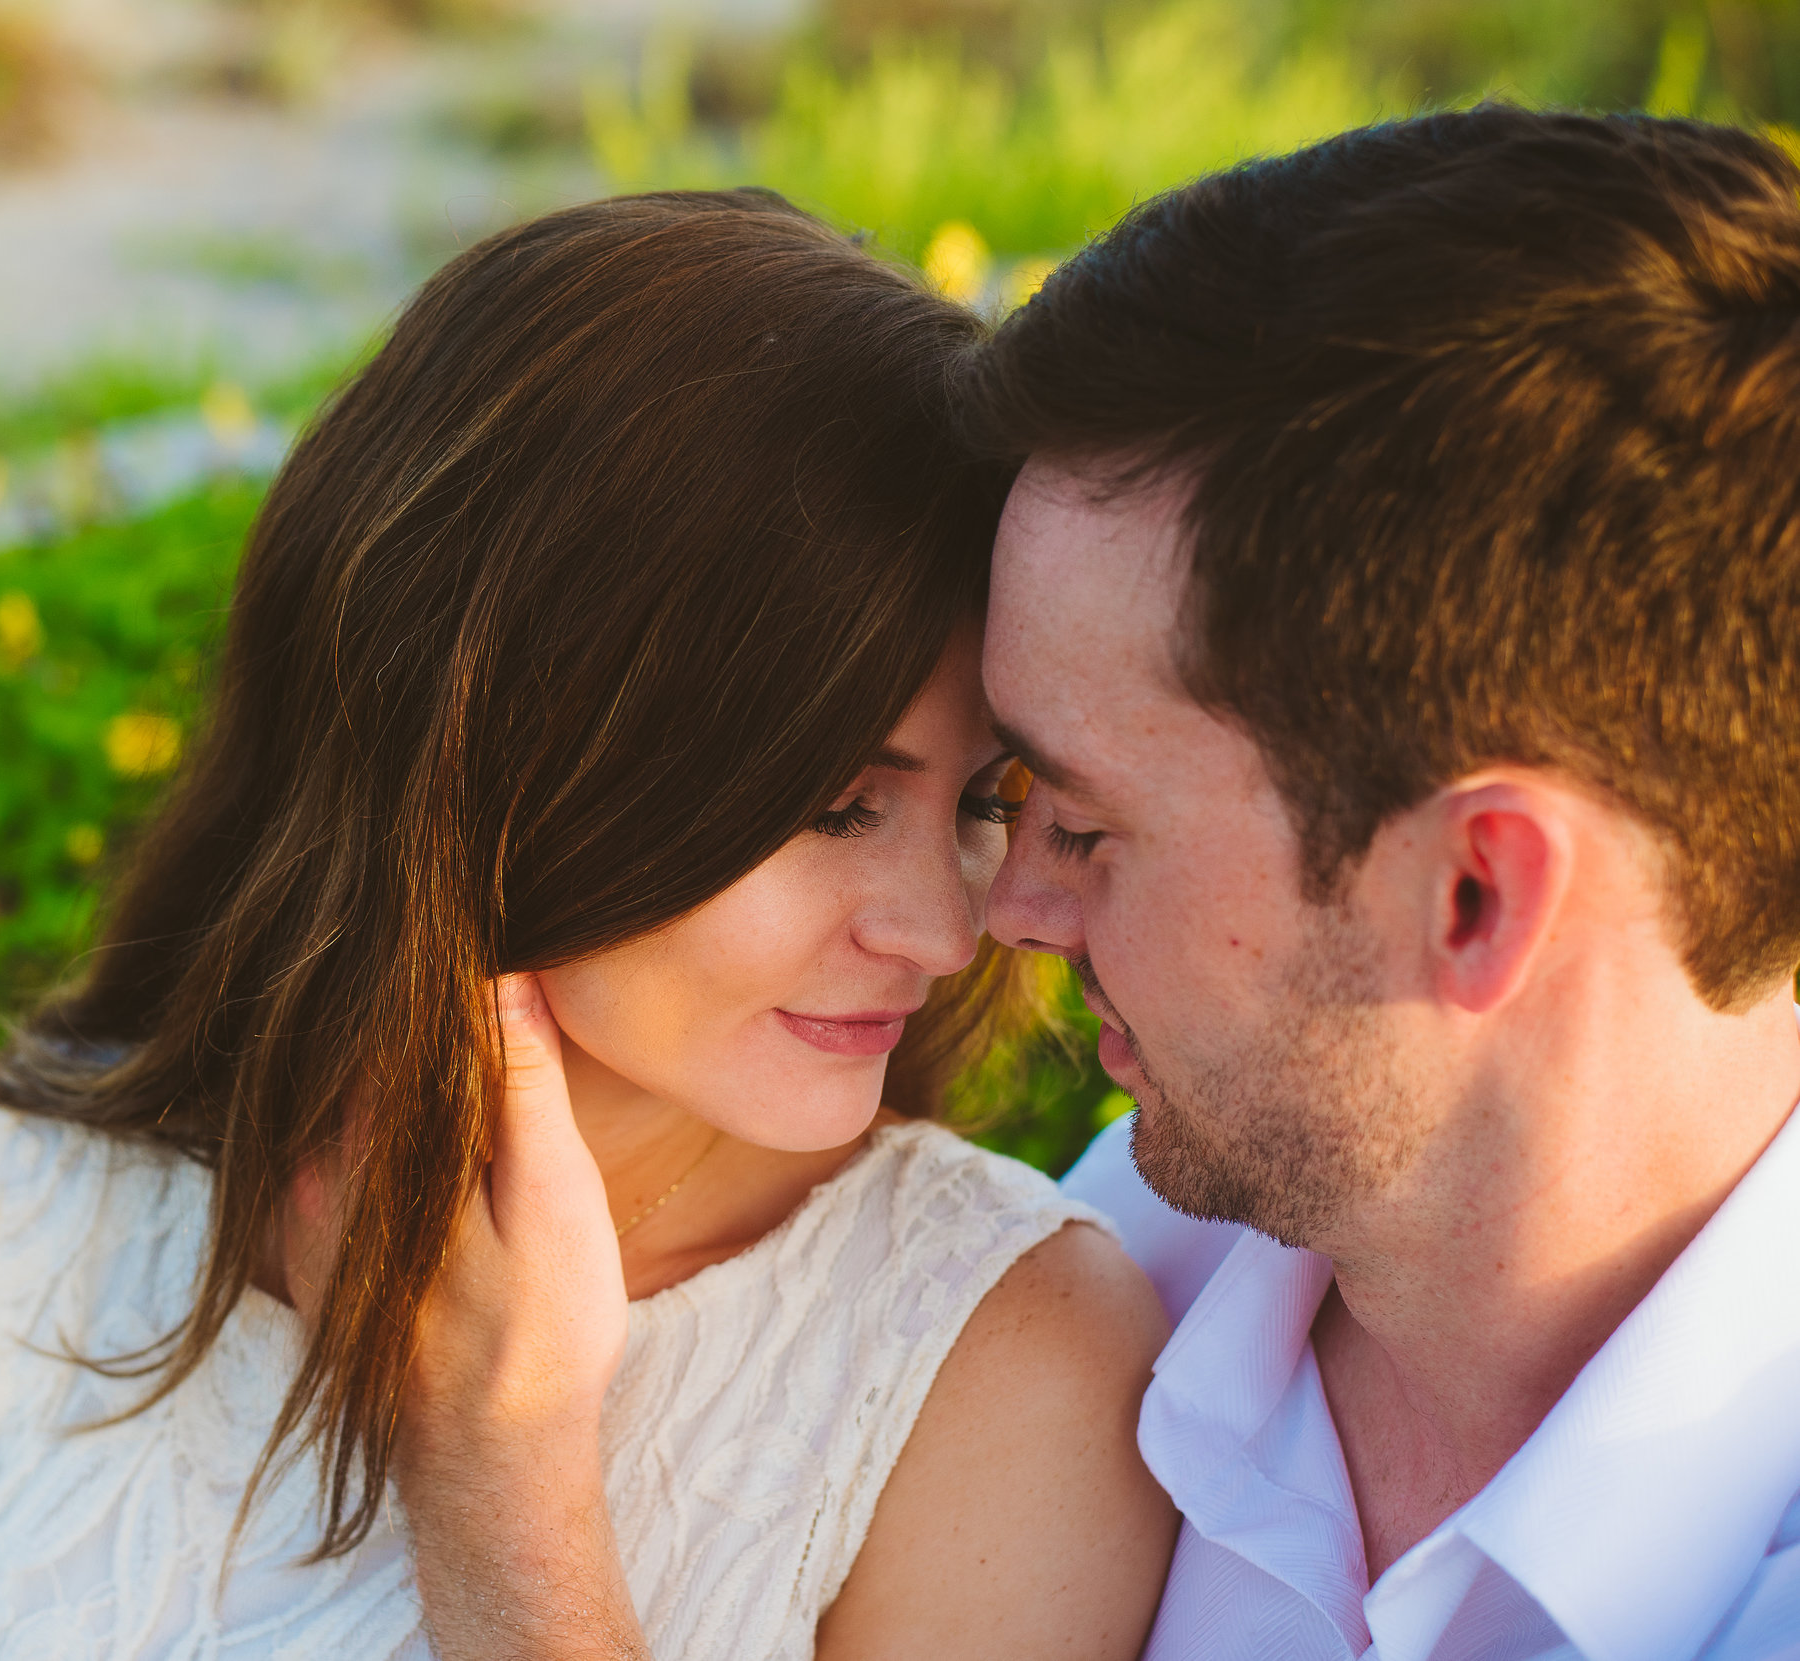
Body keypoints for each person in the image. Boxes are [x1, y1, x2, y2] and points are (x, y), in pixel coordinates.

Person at [0, 189, 1174, 1661]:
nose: (943, 932)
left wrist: (506, 1501)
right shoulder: (13, 1197)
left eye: (983, 798)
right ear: (509, 738)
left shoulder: (1001, 1362)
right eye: (836, 805)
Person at [392, 108, 1800, 1660]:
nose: (995, 918)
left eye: (1085, 827)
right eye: (1019, 798)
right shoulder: (1125, 1259)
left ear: (1473, 895)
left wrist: (516, 1529)